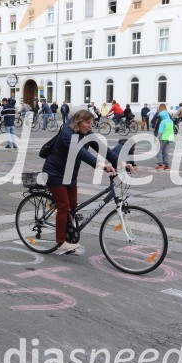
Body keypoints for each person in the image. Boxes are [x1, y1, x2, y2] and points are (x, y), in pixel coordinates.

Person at [41, 109, 133, 255]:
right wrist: (101, 165)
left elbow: (103, 149)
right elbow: (81, 152)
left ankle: (70, 236)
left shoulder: (86, 133)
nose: (90, 125)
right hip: (55, 174)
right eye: (88, 122)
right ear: (79, 122)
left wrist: (121, 163)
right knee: (64, 206)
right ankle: (61, 243)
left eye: (91, 122)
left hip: (70, 175)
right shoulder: (66, 134)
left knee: (73, 206)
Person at [153, 104, 174, 170]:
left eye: (161, 116)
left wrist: (157, 139)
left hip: (162, 138)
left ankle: (160, 164)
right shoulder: (171, 121)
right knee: (166, 152)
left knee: (159, 151)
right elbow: (171, 130)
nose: (161, 117)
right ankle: (167, 165)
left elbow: (160, 132)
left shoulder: (163, 122)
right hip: (168, 138)